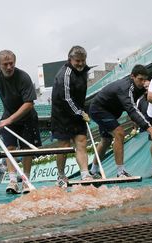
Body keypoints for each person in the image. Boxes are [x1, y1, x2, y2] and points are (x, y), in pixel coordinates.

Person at [0, 50, 41, 194]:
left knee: (26, 149)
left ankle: (26, 181)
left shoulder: (23, 77)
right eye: (5, 64)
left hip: (27, 117)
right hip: (8, 116)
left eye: (11, 64)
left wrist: (9, 119)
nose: (9, 67)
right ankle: (13, 180)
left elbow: (29, 104)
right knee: (9, 148)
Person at [89, 64, 152, 178]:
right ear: (132, 76)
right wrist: (151, 130)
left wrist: (149, 89)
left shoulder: (141, 87)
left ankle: (93, 171)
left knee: (106, 140)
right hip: (98, 109)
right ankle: (120, 172)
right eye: (140, 79)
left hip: (111, 112)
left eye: (144, 79)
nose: (142, 82)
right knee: (119, 133)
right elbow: (131, 109)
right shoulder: (126, 87)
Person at [51, 45, 93, 187]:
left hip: (77, 111)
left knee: (81, 141)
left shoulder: (84, 72)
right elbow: (66, 99)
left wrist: (81, 111)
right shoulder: (65, 74)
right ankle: (61, 176)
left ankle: (85, 174)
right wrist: (80, 112)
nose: (80, 63)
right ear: (70, 59)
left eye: (83, 60)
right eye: (77, 61)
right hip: (61, 114)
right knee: (64, 146)